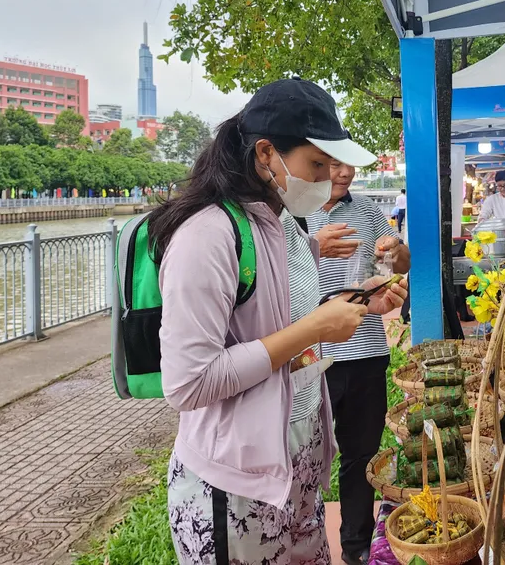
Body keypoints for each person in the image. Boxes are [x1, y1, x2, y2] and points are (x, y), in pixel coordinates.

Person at [154, 78, 407, 565]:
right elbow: (188, 383)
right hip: (237, 483)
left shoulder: (283, 223)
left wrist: (356, 301)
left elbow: (281, 322)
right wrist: (316, 329)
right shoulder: (207, 235)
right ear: (267, 153)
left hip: (298, 462)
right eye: (317, 164)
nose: (328, 178)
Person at [307, 162, 412, 565]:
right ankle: (305, 540)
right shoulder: (291, 214)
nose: (345, 173)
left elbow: (396, 265)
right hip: (309, 357)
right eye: (334, 164)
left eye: (350, 166)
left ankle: (355, 545)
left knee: (361, 455)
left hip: (366, 352)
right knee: (305, 455)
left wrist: (396, 254)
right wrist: (313, 245)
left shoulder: (368, 211)